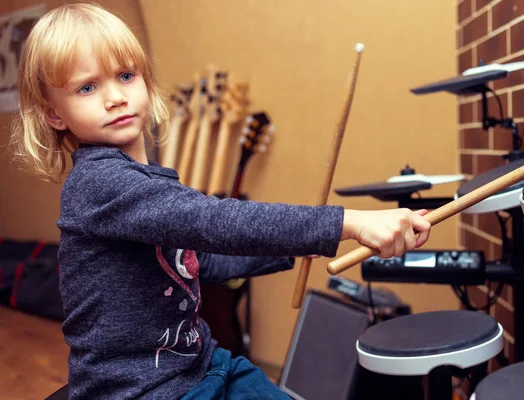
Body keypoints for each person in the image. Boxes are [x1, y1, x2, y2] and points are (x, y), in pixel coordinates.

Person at [10, 3, 431, 399]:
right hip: (138, 390)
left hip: (201, 364)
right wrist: (349, 223)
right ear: (53, 114)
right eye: (87, 87)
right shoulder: (101, 183)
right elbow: (214, 221)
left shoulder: (146, 180)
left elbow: (197, 259)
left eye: (125, 75)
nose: (115, 96)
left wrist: (304, 244)